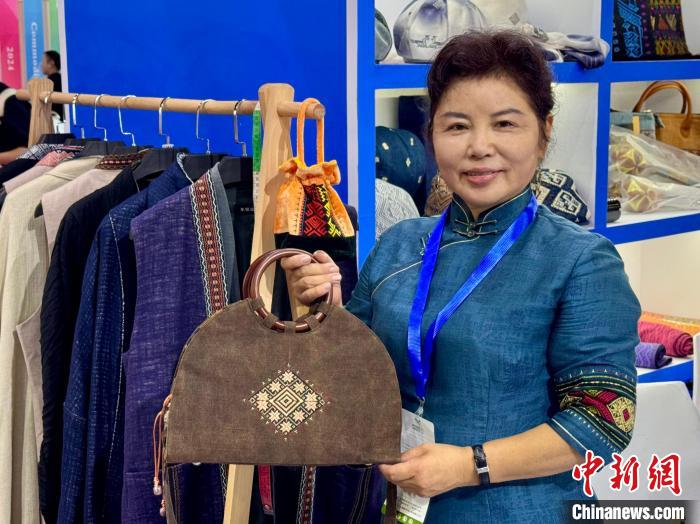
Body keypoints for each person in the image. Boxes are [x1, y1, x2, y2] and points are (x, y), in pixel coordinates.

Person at [282, 30, 640, 523]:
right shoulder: (400, 242)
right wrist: (326, 306)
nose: (479, 147)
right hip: (398, 505)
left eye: (505, 124)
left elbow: (604, 420)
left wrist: (469, 466)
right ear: (432, 134)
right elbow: (355, 375)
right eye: (457, 126)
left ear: (544, 133)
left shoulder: (580, 260)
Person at [41, 50, 64, 119]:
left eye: (43, 61)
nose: (41, 65)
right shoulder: (61, 80)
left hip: (51, 119)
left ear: (51, 63)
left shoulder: (49, 82)